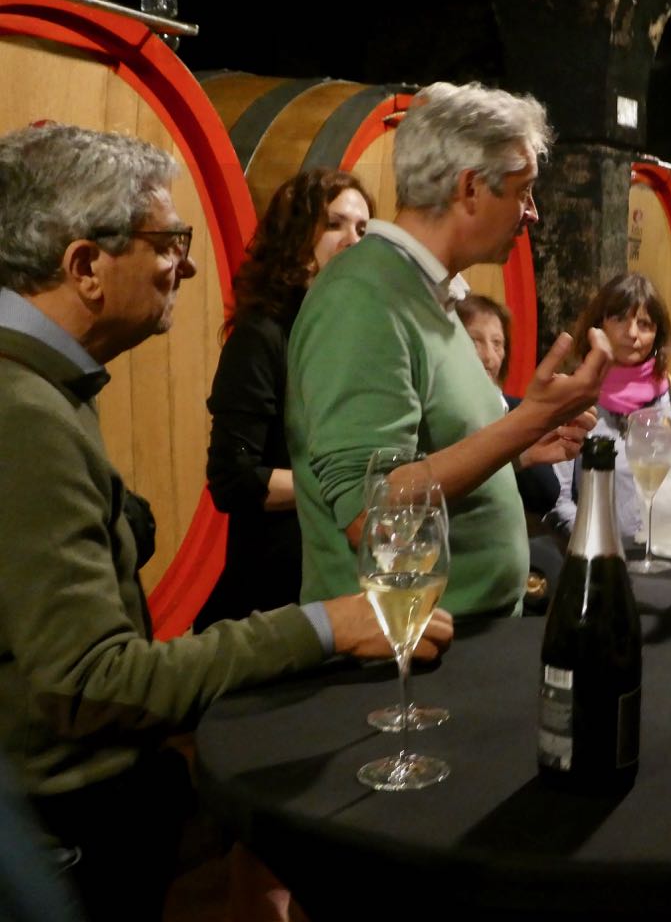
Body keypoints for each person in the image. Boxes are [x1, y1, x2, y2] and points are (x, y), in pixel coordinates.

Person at [0, 123, 451, 921]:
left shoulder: (49, 388)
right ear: (85, 266)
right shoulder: (26, 413)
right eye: (167, 242)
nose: (187, 264)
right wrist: (325, 625)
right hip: (66, 830)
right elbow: (91, 684)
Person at [286, 81, 611, 619]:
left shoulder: (430, 293)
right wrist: (526, 421)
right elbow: (372, 516)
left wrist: (522, 447)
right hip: (404, 651)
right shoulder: (362, 298)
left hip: (463, 637)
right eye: (524, 191)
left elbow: (434, 455)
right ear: (471, 189)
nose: (532, 214)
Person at [198, 168, 373, 630]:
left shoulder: (360, 337)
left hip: (348, 578)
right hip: (278, 594)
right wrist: (342, 492)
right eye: (334, 224)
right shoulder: (263, 336)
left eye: (363, 229)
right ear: (295, 242)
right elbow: (234, 478)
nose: (354, 240)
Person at [546, 272, 671, 541]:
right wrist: (599, 543)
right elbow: (558, 497)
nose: (632, 333)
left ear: (658, 335)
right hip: (594, 550)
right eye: (620, 319)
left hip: (665, 553)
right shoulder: (574, 398)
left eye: (644, 324)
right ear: (599, 325)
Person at [455, 293, 559, 517]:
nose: (489, 357)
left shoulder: (518, 411)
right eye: (475, 341)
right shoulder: (446, 416)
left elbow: (547, 495)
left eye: (497, 344)